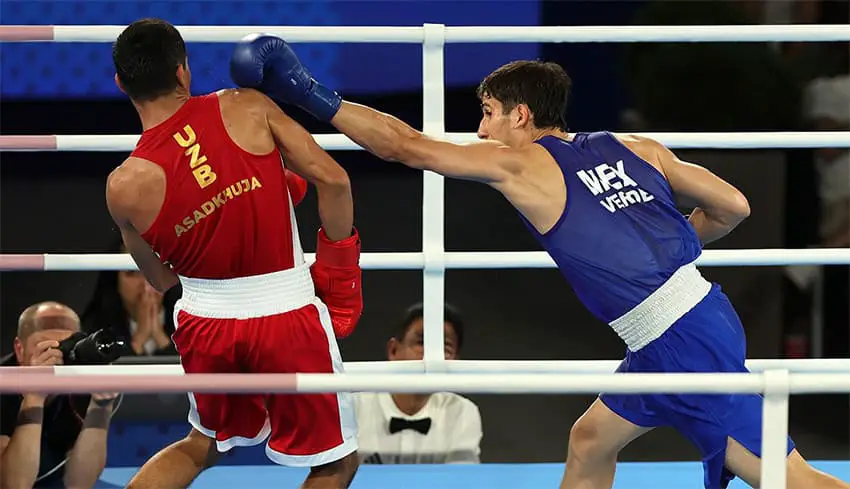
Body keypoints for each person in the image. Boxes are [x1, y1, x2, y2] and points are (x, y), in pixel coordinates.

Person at [229, 36, 850, 489]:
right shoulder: (635, 147)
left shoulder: (521, 161)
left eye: (487, 114)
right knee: (589, 442)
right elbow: (734, 206)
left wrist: (299, 89)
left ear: (519, 116)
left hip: (682, 343)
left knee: (787, 478)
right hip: (679, 327)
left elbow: (406, 146)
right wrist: (669, 254)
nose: (480, 129)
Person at [106, 19, 362, 489]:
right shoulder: (245, 106)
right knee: (335, 462)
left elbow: (161, 281)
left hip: (205, 322)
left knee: (202, 443)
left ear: (122, 84)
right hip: (286, 314)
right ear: (183, 72)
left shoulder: (122, 186)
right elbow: (335, 180)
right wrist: (340, 269)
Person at [0, 302, 117, 489]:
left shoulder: (83, 382)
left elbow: (79, 484)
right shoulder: (3, 385)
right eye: (46, 347)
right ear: (19, 350)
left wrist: (101, 406)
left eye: (66, 346)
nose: (57, 358)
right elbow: (14, 485)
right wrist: (34, 398)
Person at [355, 303, 483, 465]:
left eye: (445, 347)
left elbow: (460, 481)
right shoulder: (354, 408)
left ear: (455, 361)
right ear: (393, 350)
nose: (432, 356)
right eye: (422, 343)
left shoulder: (462, 412)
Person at [81, 235, 179, 357]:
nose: (145, 283)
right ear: (115, 279)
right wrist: (138, 341)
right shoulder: (95, 327)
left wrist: (161, 339)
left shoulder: (190, 320)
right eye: (132, 272)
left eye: (153, 270)